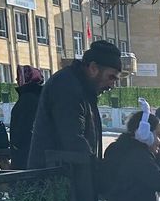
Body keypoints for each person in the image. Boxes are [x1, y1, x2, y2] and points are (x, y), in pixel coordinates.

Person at [28, 40, 122, 169]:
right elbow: (73, 140)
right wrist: (101, 169)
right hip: (55, 179)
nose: (112, 85)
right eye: (111, 77)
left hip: (68, 175)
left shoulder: (84, 88)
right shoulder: (66, 86)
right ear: (93, 68)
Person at [10, 65, 44, 169]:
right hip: (36, 154)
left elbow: (24, 129)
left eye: (19, 77)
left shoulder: (27, 99)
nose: (16, 80)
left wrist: (16, 146)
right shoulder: (39, 97)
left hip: (25, 157)